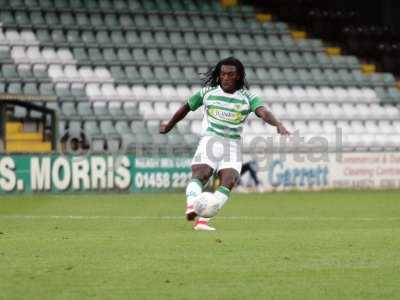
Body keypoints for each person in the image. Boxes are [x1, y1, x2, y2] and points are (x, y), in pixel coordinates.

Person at [160, 57, 289, 231]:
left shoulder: (248, 97)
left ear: (238, 76)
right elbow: (186, 108)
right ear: (219, 76)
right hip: (211, 140)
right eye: (223, 74)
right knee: (202, 173)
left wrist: (278, 124)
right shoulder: (207, 93)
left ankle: (203, 222)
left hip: (232, 145)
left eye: (230, 74)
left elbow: (263, 113)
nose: (226, 77)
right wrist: (169, 125)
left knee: (229, 180)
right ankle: (191, 206)